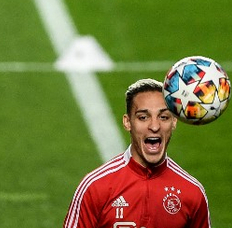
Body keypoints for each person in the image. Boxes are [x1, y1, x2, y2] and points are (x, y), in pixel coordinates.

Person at [63, 78, 212, 228]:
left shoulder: (192, 192)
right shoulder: (95, 187)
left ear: (174, 122)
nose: (154, 126)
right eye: (143, 117)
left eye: (163, 117)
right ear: (128, 122)